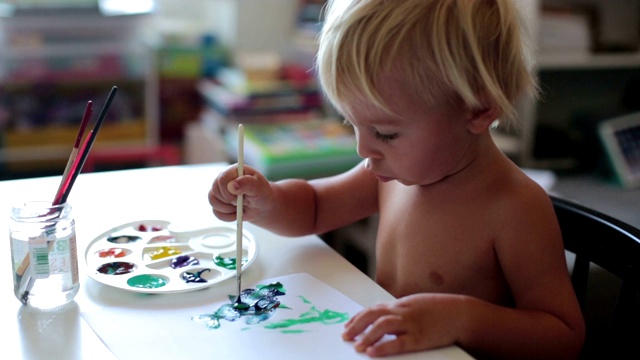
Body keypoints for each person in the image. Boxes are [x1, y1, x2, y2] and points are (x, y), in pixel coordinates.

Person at [208, 0, 585, 358]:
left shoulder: (515, 208)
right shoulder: (392, 176)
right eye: (351, 124)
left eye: (385, 133)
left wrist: (462, 319)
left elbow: (563, 338)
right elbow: (315, 208)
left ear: (479, 109)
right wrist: (267, 201)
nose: (363, 149)